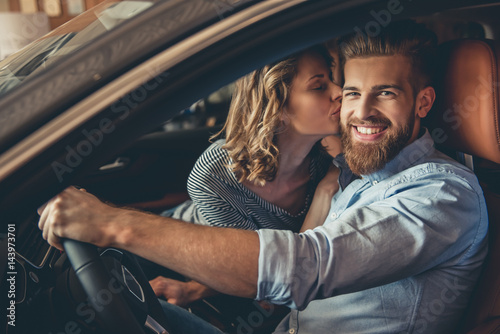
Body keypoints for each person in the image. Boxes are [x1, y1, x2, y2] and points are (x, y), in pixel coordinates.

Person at [38, 20, 488, 334]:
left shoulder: (443, 195)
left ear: (424, 103)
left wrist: (112, 224)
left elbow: (301, 266)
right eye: (351, 92)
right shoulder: (362, 171)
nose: (360, 110)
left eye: (385, 94)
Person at [149, 45, 343, 310]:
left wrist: (327, 185)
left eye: (333, 80)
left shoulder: (330, 160)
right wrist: (193, 289)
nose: (339, 92)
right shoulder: (215, 177)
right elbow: (261, 275)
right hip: (172, 258)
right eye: (319, 86)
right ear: (277, 107)